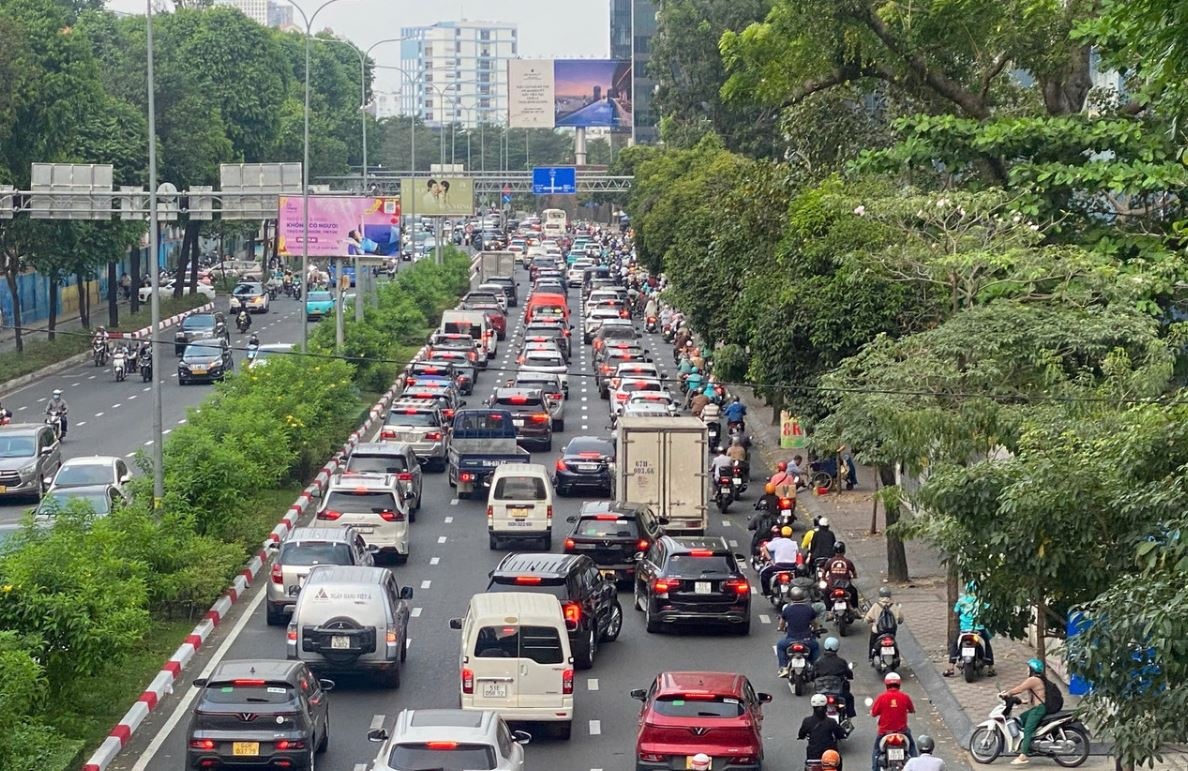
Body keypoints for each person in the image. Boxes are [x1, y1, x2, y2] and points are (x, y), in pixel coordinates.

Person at [1000, 659, 1058, 766]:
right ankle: (1030, 744)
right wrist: (1023, 702)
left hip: (1039, 709)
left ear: (1032, 669)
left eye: (1028, 668)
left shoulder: (1033, 679)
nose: (1026, 670)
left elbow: (1020, 688)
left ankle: (1023, 755)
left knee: (1028, 730)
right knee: (1021, 718)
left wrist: (1007, 693)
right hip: (1039, 707)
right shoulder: (1040, 679)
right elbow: (1038, 695)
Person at [945, 583, 995, 676]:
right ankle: (991, 668)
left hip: (964, 629)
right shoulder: (982, 601)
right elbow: (988, 611)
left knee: (955, 645)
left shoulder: (962, 600)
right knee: (987, 645)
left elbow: (956, 611)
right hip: (979, 629)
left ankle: (951, 667)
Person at [870, 672, 916, 770]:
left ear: (886, 685)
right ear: (899, 684)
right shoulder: (905, 697)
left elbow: (873, 713)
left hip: (884, 732)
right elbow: (912, 709)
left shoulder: (881, 697)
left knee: (877, 751)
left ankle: (875, 768)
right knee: (911, 746)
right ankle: (916, 766)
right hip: (902, 731)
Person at [777, 586, 821, 675]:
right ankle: (815, 668)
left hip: (790, 640)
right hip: (807, 640)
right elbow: (815, 624)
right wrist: (817, 629)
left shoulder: (787, 609)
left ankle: (784, 667)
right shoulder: (809, 609)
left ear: (791, 597)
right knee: (816, 646)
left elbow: (781, 624)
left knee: (780, 646)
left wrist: (780, 629)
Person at [814, 636, 856, 719]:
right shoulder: (841, 662)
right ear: (837, 648)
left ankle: (816, 718)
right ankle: (850, 716)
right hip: (838, 692)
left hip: (822, 691)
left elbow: (812, 675)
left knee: (816, 703)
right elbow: (849, 674)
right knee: (849, 698)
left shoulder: (818, 662)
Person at [799, 693, 847, 766]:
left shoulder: (807, 721)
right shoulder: (831, 722)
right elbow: (841, 734)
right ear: (826, 707)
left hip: (813, 756)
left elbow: (801, 734)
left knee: (807, 765)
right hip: (830, 756)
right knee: (839, 762)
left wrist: (801, 736)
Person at [864, 587, 906, 659]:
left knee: (872, 643)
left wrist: (869, 621)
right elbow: (901, 619)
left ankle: (871, 657)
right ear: (890, 595)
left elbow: (867, 619)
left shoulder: (876, 606)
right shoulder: (894, 606)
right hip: (891, 632)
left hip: (878, 632)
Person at [760, 525, 801, 595]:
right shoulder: (794, 543)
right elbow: (797, 553)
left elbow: (764, 548)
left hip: (779, 566)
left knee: (763, 573)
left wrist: (770, 560)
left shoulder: (777, 542)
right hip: (792, 567)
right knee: (800, 574)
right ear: (791, 535)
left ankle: (767, 593)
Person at [824, 541, 859, 608]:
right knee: (854, 592)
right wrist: (854, 577)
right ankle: (855, 609)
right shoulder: (848, 562)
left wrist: (825, 580)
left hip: (832, 587)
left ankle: (828, 611)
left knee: (825, 593)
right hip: (845, 587)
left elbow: (824, 573)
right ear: (844, 551)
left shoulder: (830, 562)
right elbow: (854, 573)